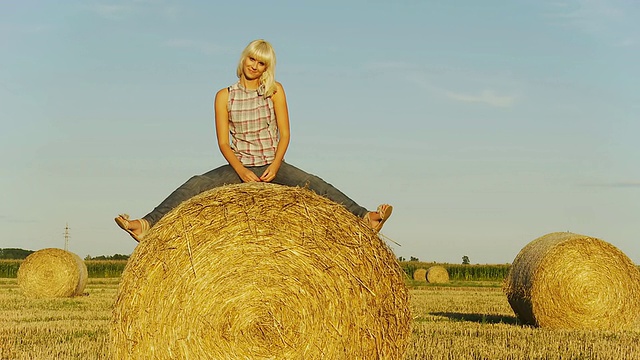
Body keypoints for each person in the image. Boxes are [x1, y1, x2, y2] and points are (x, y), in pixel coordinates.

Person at [115, 39, 392, 242]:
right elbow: (223, 142)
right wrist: (241, 171)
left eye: (261, 63)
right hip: (240, 166)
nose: (254, 66)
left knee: (316, 184)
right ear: (244, 58)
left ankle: (365, 217)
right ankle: (146, 224)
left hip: (272, 163)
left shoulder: (274, 91)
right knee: (196, 183)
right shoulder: (224, 96)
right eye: (252, 59)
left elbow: (285, 133)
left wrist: (276, 164)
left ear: (266, 67)